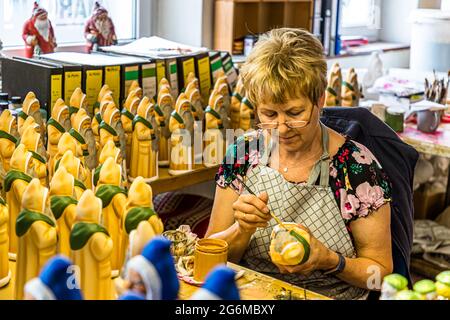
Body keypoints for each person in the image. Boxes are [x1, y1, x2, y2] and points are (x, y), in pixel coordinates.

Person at [206, 28, 393, 300]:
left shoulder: (356, 168)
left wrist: (329, 260)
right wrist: (241, 229)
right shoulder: (244, 154)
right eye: (269, 114)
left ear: (320, 100)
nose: (281, 128)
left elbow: (381, 275)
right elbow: (210, 255)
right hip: (254, 295)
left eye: (295, 113)